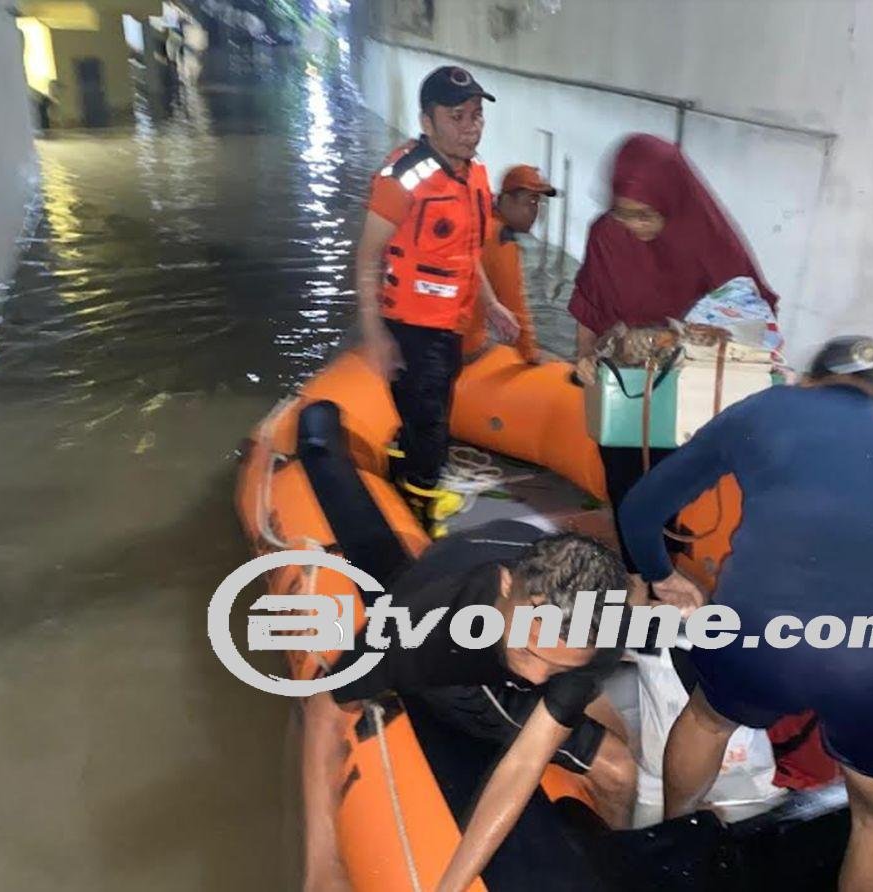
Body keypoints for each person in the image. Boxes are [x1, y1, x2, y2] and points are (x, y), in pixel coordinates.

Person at [619, 337, 873, 892]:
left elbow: (640, 509)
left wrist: (663, 576)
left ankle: (678, 845)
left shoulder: (766, 408)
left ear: (806, 380)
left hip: (767, 621)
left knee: (709, 719)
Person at [301, 520, 637, 892]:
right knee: (619, 770)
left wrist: (554, 667)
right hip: (462, 668)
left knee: (613, 734)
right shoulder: (423, 627)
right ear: (506, 583)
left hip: (480, 554)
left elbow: (534, 743)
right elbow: (325, 704)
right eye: (528, 651)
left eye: (559, 667)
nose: (537, 678)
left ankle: (615, 864)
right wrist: (322, 864)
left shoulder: (598, 631)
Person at [568, 133, 780, 576]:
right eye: (624, 213)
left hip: (685, 386)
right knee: (623, 480)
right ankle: (640, 575)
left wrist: (685, 335)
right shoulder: (607, 234)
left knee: (666, 488)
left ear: (672, 200)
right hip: (625, 380)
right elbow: (589, 303)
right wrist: (584, 356)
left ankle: (657, 570)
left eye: (646, 215)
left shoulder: (707, 239)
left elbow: (749, 315)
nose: (635, 226)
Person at [355, 66, 520, 537]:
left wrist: (492, 304)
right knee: (430, 424)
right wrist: (376, 335)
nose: (472, 127)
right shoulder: (403, 178)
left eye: (476, 115)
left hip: (450, 323)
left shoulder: (474, 173)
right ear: (427, 122)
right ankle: (421, 516)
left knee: (427, 413)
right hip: (410, 325)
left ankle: (403, 475)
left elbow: (466, 254)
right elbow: (367, 257)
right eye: (457, 117)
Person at [463, 165, 557, 363]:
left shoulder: (479, 218)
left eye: (537, 203)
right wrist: (530, 353)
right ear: (506, 199)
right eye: (530, 202)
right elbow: (514, 303)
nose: (534, 211)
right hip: (462, 347)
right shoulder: (500, 239)